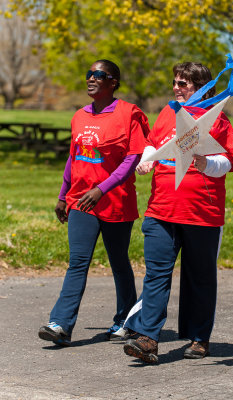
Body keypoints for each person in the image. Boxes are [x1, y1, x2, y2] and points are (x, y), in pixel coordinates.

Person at [122, 62, 233, 363]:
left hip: (202, 213)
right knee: (156, 275)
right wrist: (146, 161)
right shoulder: (167, 112)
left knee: (199, 278)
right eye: (175, 82)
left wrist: (207, 165)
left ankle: (200, 338)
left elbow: (228, 162)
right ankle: (148, 338)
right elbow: (152, 144)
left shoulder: (218, 120)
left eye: (184, 84)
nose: (177, 88)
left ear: (201, 87)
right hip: (161, 210)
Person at [38, 59, 150, 346]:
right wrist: (64, 195)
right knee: (77, 262)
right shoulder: (79, 116)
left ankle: (126, 319)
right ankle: (61, 324)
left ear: (113, 82)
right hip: (81, 202)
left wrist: (102, 189)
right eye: (89, 74)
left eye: (99, 75)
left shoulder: (129, 114)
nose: (91, 78)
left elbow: (133, 157)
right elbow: (73, 157)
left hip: (116, 202)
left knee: (118, 262)